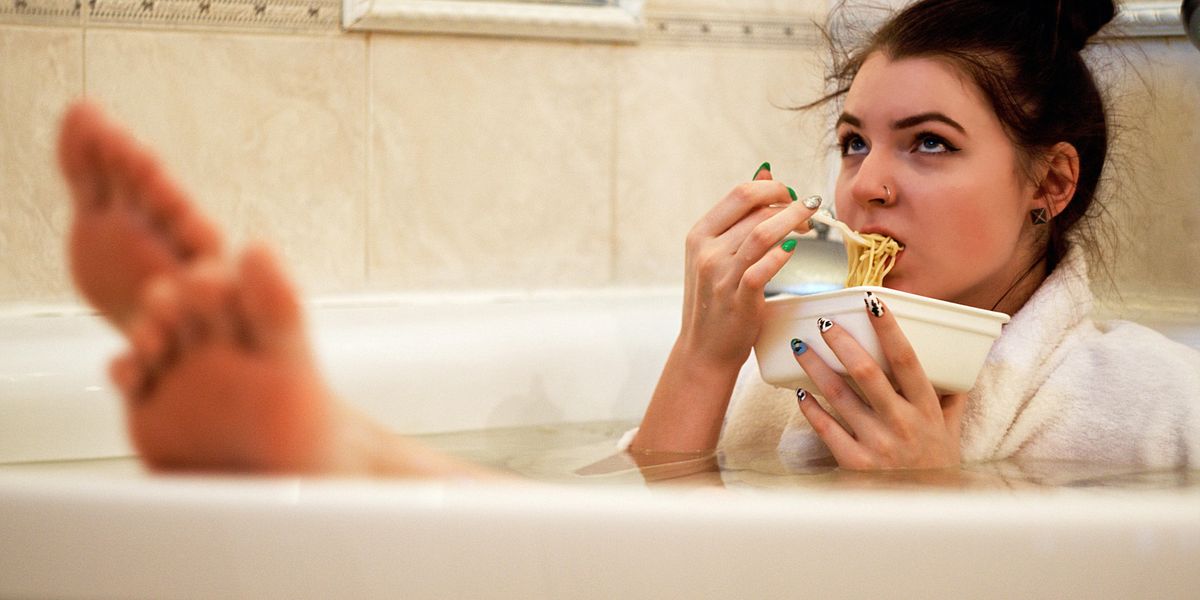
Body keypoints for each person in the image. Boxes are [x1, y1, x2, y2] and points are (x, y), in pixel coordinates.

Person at [59, 0, 1198, 477]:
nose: (867, 190)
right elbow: (623, 550)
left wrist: (941, 502)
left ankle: (343, 450)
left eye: (930, 145)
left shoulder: (1149, 408)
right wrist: (703, 354)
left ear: (1051, 181)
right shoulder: (792, 343)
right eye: (854, 143)